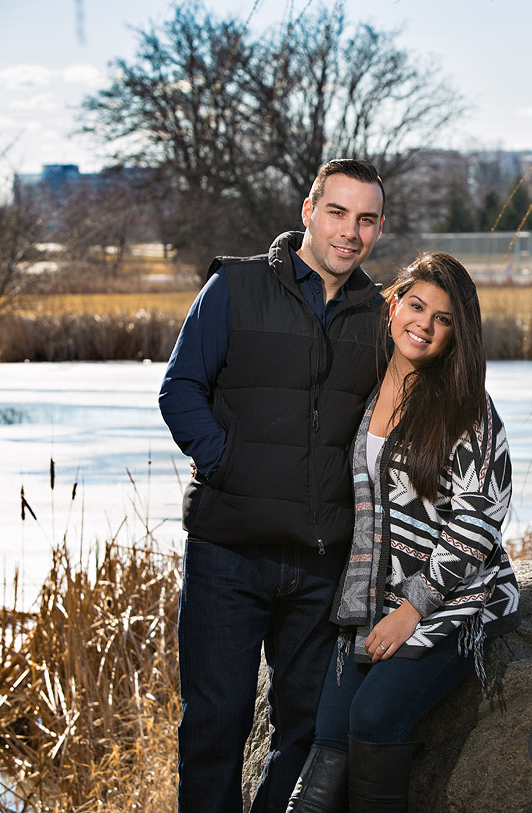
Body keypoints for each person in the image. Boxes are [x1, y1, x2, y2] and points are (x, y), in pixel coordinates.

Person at [159, 158, 387, 813]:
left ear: (378, 229)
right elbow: (180, 390)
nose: (350, 231)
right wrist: (227, 462)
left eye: (366, 219)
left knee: (309, 731)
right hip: (228, 550)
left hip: (322, 562)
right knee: (214, 726)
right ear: (308, 211)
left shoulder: (380, 315)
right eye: (338, 212)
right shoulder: (235, 287)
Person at [286, 252, 521, 812]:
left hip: (455, 602)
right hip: (368, 599)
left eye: (444, 319)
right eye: (417, 306)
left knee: (372, 717)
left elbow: (480, 517)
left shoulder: (469, 408)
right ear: (393, 307)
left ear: (456, 335)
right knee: (328, 732)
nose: (426, 324)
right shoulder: (363, 386)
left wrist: (414, 607)